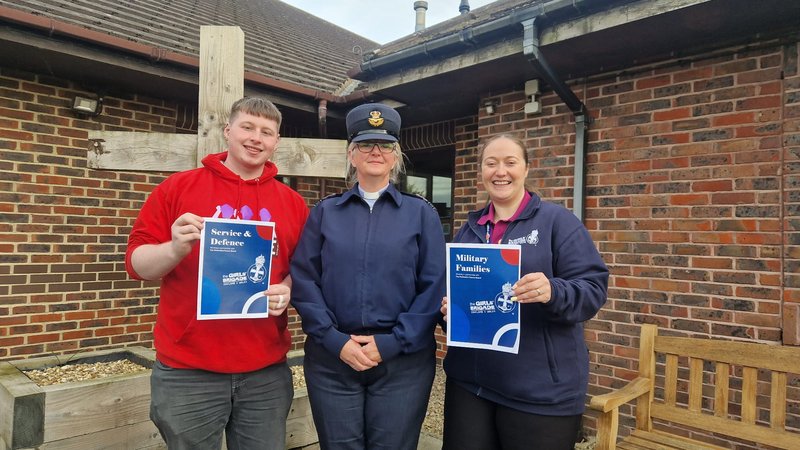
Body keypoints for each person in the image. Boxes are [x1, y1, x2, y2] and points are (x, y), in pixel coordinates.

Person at [125, 97, 309, 450]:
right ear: (227, 131)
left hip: (265, 372)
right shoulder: (177, 188)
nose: (256, 138)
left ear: (276, 142)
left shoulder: (293, 203)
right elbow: (137, 264)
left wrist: (287, 289)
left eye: (266, 132)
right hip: (188, 371)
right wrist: (174, 248)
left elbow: (303, 270)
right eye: (247, 127)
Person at [290, 103, 446, 450]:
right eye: (365, 144)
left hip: (402, 363)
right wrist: (334, 340)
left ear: (396, 156)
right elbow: (304, 280)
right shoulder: (326, 212)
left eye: (386, 144)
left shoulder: (421, 214)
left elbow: (434, 286)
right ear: (351, 154)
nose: (376, 151)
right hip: (333, 360)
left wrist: (392, 343)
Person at [440, 134, 609, 450]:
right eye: (491, 163)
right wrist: (451, 310)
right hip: (470, 385)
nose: (500, 171)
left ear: (526, 169)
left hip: (539, 392)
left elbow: (593, 290)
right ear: (481, 171)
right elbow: (453, 295)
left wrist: (552, 290)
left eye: (510, 162)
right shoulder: (470, 230)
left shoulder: (558, 222)